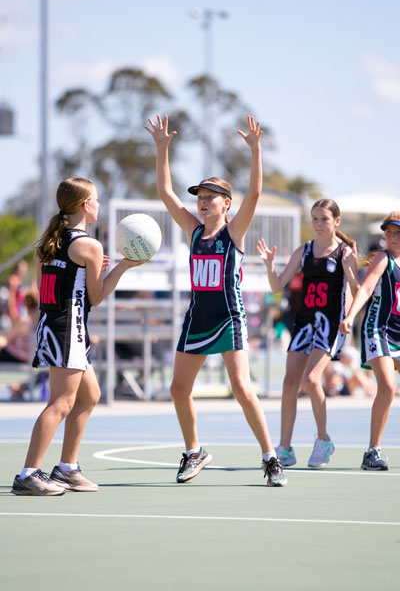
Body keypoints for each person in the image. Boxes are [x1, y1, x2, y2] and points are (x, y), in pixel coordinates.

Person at [145, 114, 287, 487]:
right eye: (200, 198)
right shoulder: (193, 231)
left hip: (228, 317)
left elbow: (254, 194)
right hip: (197, 318)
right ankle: (195, 451)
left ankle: (270, 457)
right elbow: (166, 193)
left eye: (210, 198)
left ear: (226, 204)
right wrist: (162, 150)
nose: (203, 202)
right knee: (178, 389)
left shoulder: (234, 232)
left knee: (241, 387)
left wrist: (256, 151)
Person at [11, 177, 146, 496]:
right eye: (96, 199)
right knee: (61, 402)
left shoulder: (50, 241)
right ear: (86, 205)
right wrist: (124, 265)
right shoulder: (89, 244)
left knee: (90, 395)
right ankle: (28, 474)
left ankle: (67, 468)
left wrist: (95, 270)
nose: (99, 204)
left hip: (56, 325)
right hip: (67, 328)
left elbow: (59, 288)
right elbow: (96, 297)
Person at [257, 199, 359, 468]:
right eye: (314, 218)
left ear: (337, 221)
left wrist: (349, 313)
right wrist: (269, 266)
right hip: (304, 323)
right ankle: (286, 448)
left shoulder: (344, 253)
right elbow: (278, 285)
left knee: (313, 380)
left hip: (330, 324)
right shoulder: (304, 251)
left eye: (324, 218)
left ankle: (324, 440)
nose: (318, 224)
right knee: (290, 383)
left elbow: (359, 293)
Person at [340, 211, 400, 471]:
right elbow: (365, 289)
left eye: (398, 232)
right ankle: (372, 451)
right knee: (386, 386)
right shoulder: (382, 259)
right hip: (379, 329)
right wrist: (351, 315)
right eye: (388, 232)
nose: (392, 237)